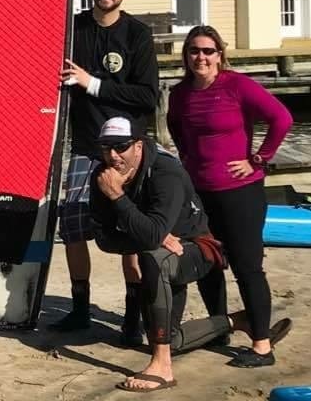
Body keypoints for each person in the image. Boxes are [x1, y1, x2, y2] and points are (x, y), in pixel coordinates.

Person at [90, 117, 292, 392]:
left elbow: (148, 236)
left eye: (121, 146)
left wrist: (118, 198)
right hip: (163, 256)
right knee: (168, 338)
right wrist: (149, 233)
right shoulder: (103, 175)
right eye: (106, 148)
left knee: (153, 256)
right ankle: (236, 321)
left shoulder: (165, 172)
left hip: (199, 249)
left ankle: (162, 367)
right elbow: (103, 239)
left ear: (138, 146)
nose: (113, 156)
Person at [167, 25, 293, 368]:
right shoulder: (180, 93)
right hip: (200, 193)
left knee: (247, 267)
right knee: (208, 263)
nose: (201, 57)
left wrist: (258, 158)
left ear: (220, 54)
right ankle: (219, 329)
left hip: (241, 192)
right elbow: (176, 126)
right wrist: (187, 160)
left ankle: (262, 346)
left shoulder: (236, 85)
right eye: (194, 50)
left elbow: (281, 118)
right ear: (186, 56)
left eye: (208, 51)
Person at [53, 0, 159, 345]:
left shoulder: (137, 35)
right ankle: (80, 306)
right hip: (84, 145)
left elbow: (147, 96)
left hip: (127, 150)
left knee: (129, 230)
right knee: (73, 226)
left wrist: (92, 83)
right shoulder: (74, 28)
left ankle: (133, 315)